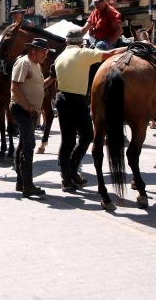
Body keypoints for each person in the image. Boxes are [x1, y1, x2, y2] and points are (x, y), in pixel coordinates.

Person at [53, 28, 126, 191]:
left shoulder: (60, 57)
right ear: (80, 42)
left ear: (66, 41)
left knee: (67, 140)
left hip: (61, 99)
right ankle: (72, 170)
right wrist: (129, 47)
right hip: (76, 100)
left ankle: (66, 177)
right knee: (86, 136)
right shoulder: (83, 53)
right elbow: (110, 53)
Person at [10, 38, 54, 198]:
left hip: (29, 111)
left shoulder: (36, 65)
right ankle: (27, 185)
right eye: (44, 52)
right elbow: (15, 87)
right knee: (29, 146)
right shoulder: (24, 63)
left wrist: (52, 78)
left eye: (47, 52)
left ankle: (21, 183)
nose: (46, 55)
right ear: (33, 50)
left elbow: (38, 86)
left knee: (24, 144)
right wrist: (28, 107)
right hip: (22, 110)